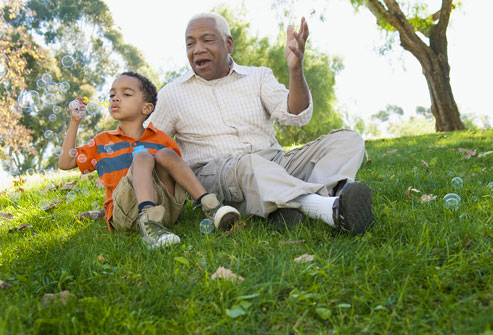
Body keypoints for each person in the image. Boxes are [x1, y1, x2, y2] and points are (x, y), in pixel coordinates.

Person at [149, 13, 374, 234]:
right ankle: (331, 208)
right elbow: (148, 145)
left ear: (228, 44)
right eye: (190, 43)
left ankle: (292, 204)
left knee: (347, 140)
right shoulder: (172, 94)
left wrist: (295, 70)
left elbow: (296, 115)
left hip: (275, 163)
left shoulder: (258, 77)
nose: (197, 49)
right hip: (219, 177)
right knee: (250, 164)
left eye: (207, 40)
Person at [58, 71, 240, 248]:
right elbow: (65, 163)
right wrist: (75, 122)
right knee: (143, 156)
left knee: (166, 154)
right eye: (112, 94)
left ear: (147, 108)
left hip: (167, 209)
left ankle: (212, 207)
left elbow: (178, 175)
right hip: (127, 214)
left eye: (126, 94)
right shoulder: (102, 142)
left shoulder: (161, 139)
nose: (115, 98)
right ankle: (149, 222)